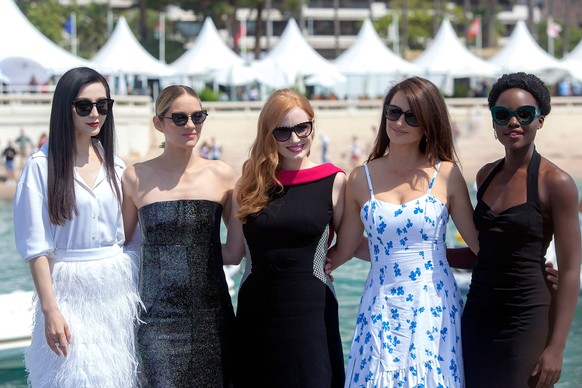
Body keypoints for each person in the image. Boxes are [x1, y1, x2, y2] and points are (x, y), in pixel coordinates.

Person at [328, 77, 480, 387]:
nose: (399, 122)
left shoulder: (447, 174)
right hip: (379, 303)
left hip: (434, 304)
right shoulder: (360, 177)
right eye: (393, 112)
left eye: (412, 116)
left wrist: (533, 267)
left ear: (428, 124)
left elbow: (481, 245)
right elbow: (345, 249)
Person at [12, 66, 140, 387]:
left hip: (116, 294)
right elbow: (36, 247)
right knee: (72, 378)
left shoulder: (117, 166)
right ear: (64, 108)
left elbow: (129, 238)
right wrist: (50, 309)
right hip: (68, 294)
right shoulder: (41, 167)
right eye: (84, 106)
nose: (95, 113)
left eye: (103, 105)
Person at [221, 88, 348, 387]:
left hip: (311, 312)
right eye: (282, 131)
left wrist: (333, 261)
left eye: (301, 127)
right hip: (257, 312)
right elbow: (234, 252)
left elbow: (351, 241)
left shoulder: (334, 180)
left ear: (312, 125)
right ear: (268, 134)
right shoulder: (249, 186)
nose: (294, 139)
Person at [461, 72, 581, 388]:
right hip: (477, 314)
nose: (513, 122)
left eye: (524, 114)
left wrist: (556, 348)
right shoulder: (485, 175)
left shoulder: (557, 182)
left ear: (540, 120)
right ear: (494, 123)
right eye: (503, 115)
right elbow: (484, 250)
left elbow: (570, 271)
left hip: (527, 318)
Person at [121, 85, 236, 387]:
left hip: (212, 317)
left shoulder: (223, 175)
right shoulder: (135, 176)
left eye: (198, 116)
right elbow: (120, 244)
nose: (191, 125)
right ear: (158, 123)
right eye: (180, 118)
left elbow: (236, 252)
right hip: (157, 320)